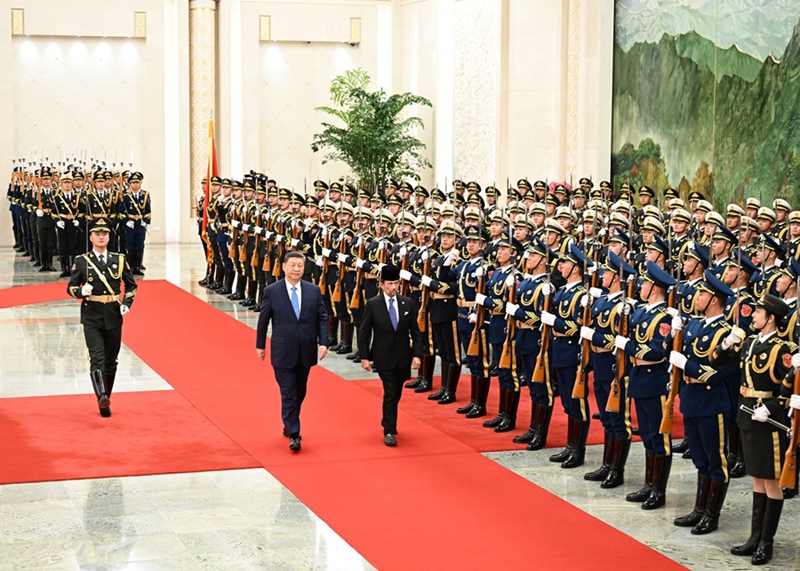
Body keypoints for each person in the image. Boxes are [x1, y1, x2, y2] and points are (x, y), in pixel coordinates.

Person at [256, 251, 329, 452]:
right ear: (284, 267)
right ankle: (295, 433)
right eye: (293, 265)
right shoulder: (272, 291)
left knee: (299, 391)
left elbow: (322, 317)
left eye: (300, 266)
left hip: (306, 350)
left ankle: (289, 422)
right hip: (282, 351)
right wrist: (260, 345)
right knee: (288, 393)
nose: (297, 269)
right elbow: (264, 320)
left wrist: (324, 342)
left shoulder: (313, 290)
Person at [67, 216, 137, 417]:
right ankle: (101, 398)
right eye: (97, 234)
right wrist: (81, 292)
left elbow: (131, 286)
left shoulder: (120, 259)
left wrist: (126, 303)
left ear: (109, 237)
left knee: (111, 361)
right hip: (92, 315)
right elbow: (70, 287)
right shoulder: (81, 261)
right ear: (90, 237)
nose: (101, 237)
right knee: (96, 357)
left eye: (104, 234)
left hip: (114, 313)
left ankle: (107, 396)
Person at [358, 265, 422, 446]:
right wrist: (364, 357)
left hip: (403, 356)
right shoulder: (373, 304)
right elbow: (365, 332)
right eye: (390, 284)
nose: (393, 287)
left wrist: (417, 355)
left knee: (397, 392)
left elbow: (416, 332)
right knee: (391, 391)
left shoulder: (407, 303)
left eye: (396, 283)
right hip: (383, 356)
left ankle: (388, 418)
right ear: (382, 284)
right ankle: (389, 430)